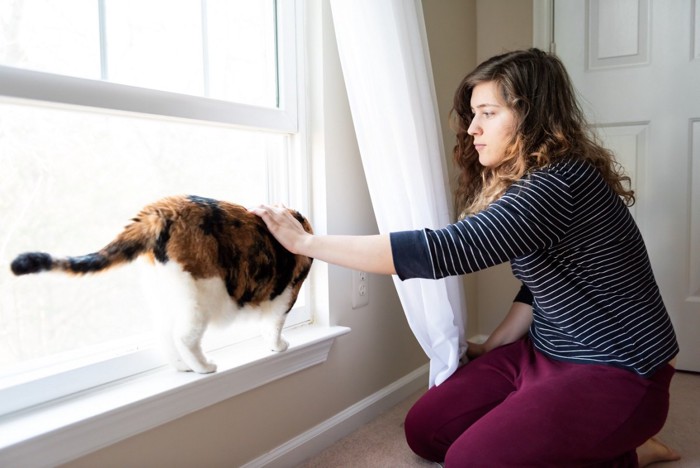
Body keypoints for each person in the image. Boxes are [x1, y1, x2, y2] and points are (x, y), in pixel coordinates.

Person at [252, 48, 680, 466]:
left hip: (619, 370)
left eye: (488, 113)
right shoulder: (531, 182)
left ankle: (631, 452)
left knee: (469, 460)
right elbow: (540, 279)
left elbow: (442, 251)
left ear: (531, 117)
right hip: (543, 352)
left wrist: (306, 244)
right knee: (426, 429)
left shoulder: (560, 184)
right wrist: (495, 346)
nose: (473, 128)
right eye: (473, 113)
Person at [466, 284, 681, 467]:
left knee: (468, 461)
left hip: (616, 363)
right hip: (549, 351)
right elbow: (534, 285)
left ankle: (635, 452)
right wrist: (488, 348)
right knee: (435, 432)